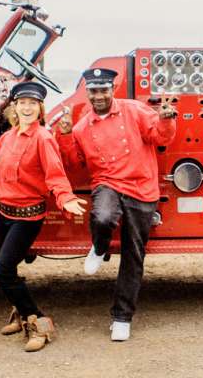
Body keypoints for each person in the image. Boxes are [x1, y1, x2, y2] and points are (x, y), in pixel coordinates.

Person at [0, 81, 88, 352]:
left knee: (3, 271)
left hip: (27, 217)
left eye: (33, 104)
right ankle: (21, 316)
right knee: (1, 271)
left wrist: (66, 198)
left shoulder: (44, 138)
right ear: (15, 107)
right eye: (23, 103)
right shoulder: (7, 138)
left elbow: (55, 174)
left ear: (40, 109)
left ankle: (39, 321)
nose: (27, 107)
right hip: (3, 214)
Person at [54, 67, 177, 341]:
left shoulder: (135, 110)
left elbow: (160, 137)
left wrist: (166, 119)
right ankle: (99, 247)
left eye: (103, 90)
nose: (98, 96)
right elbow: (75, 162)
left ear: (112, 90)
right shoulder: (82, 127)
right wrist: (63, 135)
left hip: (141, 186)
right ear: (87, 93)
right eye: (93, 91)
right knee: (102, 217)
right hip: (107, 183)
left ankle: (122, 317)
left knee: (134, 255)